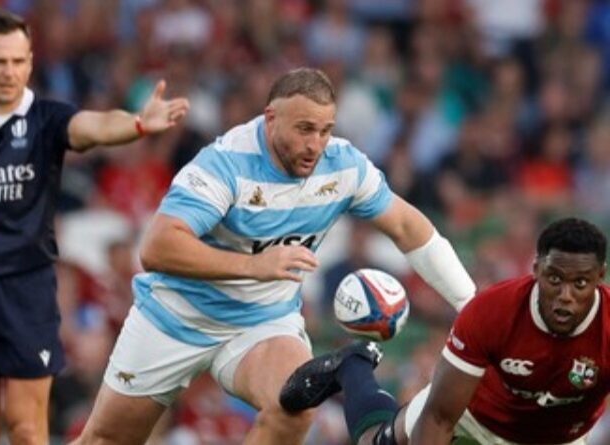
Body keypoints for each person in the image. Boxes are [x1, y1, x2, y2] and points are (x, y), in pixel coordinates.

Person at [72, 67, 476, 445]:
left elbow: (407, 226)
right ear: (270, 118)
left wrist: (471, 305)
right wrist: (253, 265)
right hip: (177, 316)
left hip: (264, 321)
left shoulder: (344, 166)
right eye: (304, 129)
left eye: (325, 130)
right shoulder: (224, 163)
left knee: (295, 406)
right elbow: (157, 247)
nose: (315, 144)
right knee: (108, 439)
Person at [0, 11, 189, 445]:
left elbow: (92, 127)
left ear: (30, 62)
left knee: (25, 425)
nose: (9, 72)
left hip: (28, 286)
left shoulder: (46, 118)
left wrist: (135, 123)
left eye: (18, 61)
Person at [280, 216, 610, 445]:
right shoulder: (492, 312)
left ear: (600, 277)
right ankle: (353, 367)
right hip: (476, 415)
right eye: (555, 279)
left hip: (557, 439)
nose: (565, 295)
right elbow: (438, 417)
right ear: (536, 269)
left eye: (581, 283)